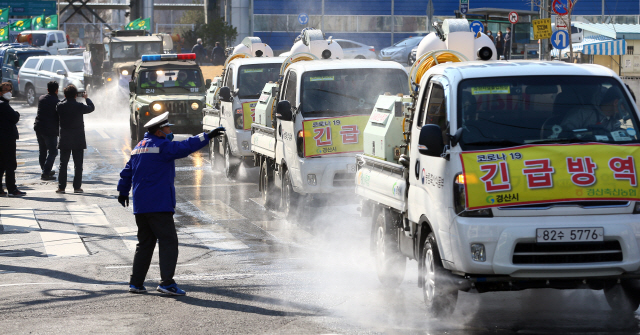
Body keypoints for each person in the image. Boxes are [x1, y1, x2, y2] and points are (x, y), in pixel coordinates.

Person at [117, 112, 225, 295]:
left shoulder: (139, 147)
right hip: (158, 204)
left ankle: (136, 283)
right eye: (167, 128)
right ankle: (166, 283)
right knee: (168, 242)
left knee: (145, 243)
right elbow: (184, 147)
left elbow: (127, 171)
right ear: (159, 131)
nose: (170, 131)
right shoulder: (162, 146)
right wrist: (207, 136)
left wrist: (122, 191)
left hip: (141, 205)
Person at [56, 85, 95, 194]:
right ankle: (77, 187)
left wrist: (67, 97)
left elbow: (60, 103)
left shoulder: (60, 106)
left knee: (63, 164)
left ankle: (61, 187)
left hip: (65, 138)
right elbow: (91, 107)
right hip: (78, 139)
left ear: (65, 95)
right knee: (78, 165)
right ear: (75, 95)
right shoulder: (80, 106)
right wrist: (86, 98)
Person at [0, 82, 25, 197]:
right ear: (1, 92)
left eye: (10, 90)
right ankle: (12, 189)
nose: (9, 92)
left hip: (4, 138)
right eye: (6, 90)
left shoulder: (4, 104)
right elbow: (14, 117)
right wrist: (17, 114)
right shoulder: (3, 105)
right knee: (10, 164)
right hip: (6, 139)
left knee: (2, 164)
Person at [34, 81, 60, 181]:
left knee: (43, 150)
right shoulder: (57, 102)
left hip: (39, 127)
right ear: (57, 90)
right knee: (53, 151)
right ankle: (45, 173)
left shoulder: (41, 98)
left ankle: (45, 170)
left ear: (47, 89)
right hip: (49, 130)